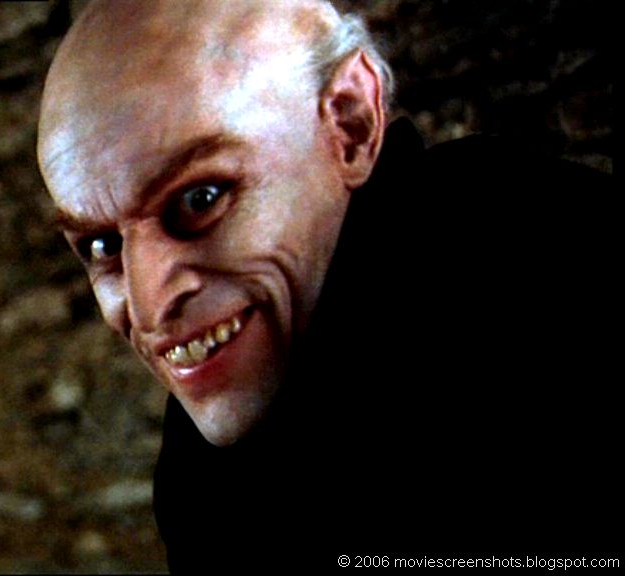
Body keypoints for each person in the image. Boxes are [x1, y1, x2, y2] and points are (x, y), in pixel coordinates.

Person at [37, 0, 617, 571]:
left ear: (350, 123)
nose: (150, 306)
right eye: (102, 247)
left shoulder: (550, 275)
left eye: (201, 199)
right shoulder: (205, 457)